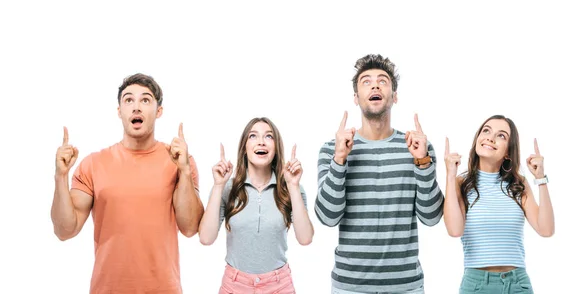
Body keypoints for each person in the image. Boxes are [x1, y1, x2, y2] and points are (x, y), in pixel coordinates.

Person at [51, 73, 204, 294]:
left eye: (146, 100)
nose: (136, 107)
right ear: (119, 111)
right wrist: (60, 177)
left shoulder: (180, 161)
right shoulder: (93, 164)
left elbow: (190, 228)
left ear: (158, 111)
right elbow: (65, 230)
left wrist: (184, 171)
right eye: (128, 100)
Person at [315, 54, 444, 294]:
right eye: (366, 81)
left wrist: (423, 162)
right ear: (356, 98)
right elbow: (327, 217)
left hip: (406, 287)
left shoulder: (418, 148)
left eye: (382, 80)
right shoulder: (332, 149)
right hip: (349, 287)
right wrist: (340, 159)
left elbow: (432, 217)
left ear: (394, 96)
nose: (375, 85)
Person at [199, 116, 314, 294]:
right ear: (244, 147)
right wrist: (218, 185)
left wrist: (293, 186)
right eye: (253, 136)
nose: (261, 142)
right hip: (235, 286)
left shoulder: (292, 188)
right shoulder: (227, 188)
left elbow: (305, 238)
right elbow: (206, 238)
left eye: (269, 136)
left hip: (279, 286)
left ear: (276, 148)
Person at [443, 115, 555, 293]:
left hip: (517, 283)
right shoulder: (460, 183)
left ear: (508, 152)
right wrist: (449, 175)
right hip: (476, 284)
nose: (490, 137)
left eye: (501, 135)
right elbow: (455, 230)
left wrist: (541, 179)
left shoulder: (519, 184)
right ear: (478, 138)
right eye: (486, 130)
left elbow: (546, 229)